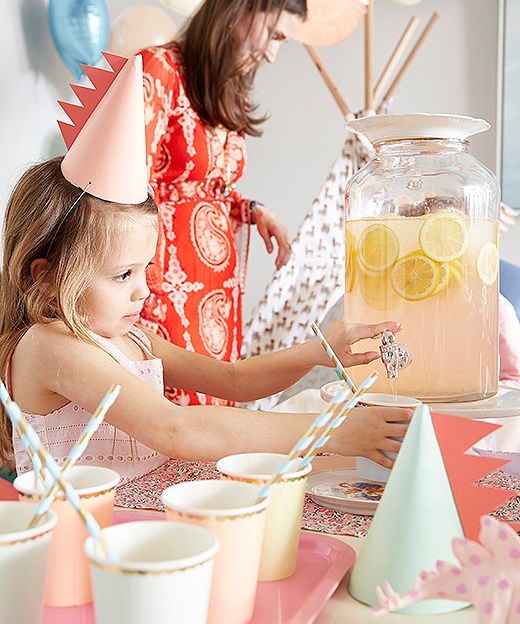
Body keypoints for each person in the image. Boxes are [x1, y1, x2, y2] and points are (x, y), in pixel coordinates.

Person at [0, 157, 412, 483]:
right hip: (86, 536)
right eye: (123, 274)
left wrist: (315, 354)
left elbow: (232, 380)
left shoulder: (134, 341)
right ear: (48, 277)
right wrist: (332, 430)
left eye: (145, 268)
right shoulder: (50, 346)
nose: (143, 291)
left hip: (140, 517)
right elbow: (175, 429)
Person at [139, 0, 307, 406]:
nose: (272, 55)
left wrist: (249, 209)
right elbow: (124, 186)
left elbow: (206, 186)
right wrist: (137, 285)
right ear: (240, 5)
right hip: (162, 284)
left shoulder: (222, 92)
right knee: (169, 421)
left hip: (216, 293)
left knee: (214, 414)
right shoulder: (159, 69)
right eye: (273, 34)